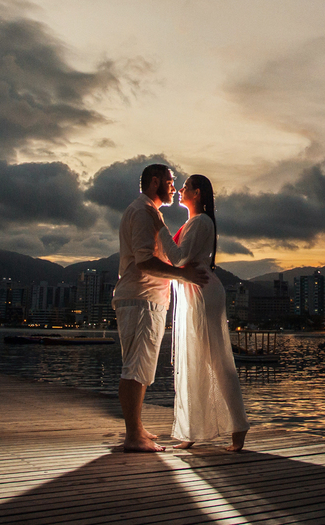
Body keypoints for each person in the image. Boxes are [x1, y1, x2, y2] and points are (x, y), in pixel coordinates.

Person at [113, 163, 210, 453]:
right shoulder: (143, 212)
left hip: (147, 298)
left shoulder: (148, 212)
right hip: (140, 298)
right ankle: (133, 436)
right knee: (135, 367)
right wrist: (183, 275)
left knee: (142, 367)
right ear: (155, 182)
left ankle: (137, 428)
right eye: (170, 181)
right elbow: (144, 261)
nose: (174, 187)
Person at [170, 174, 249, 452]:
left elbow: (179, 258)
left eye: (186, 187)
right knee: (193, 358)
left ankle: (238, 427)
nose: (181, 190)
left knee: (216, 359)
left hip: (203, 293)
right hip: (194, 292)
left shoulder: (201, 221)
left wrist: (156, 228)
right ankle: (192, 428)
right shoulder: (193, 222)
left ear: (198, 193)